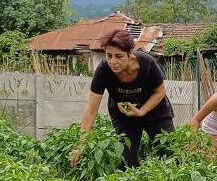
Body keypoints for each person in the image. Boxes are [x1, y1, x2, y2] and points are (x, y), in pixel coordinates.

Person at [72, 29, 175, 168]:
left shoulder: (146, 63)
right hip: (124, 116)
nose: (113, 61)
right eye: (109, 56)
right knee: (125, 160)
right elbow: (91, 111)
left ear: (130, 53)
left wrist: (141, 111)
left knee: (170, 153)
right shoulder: (103, 71)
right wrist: (81, 145)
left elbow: (160, 91)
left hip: (155, 111)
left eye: (119, 56)